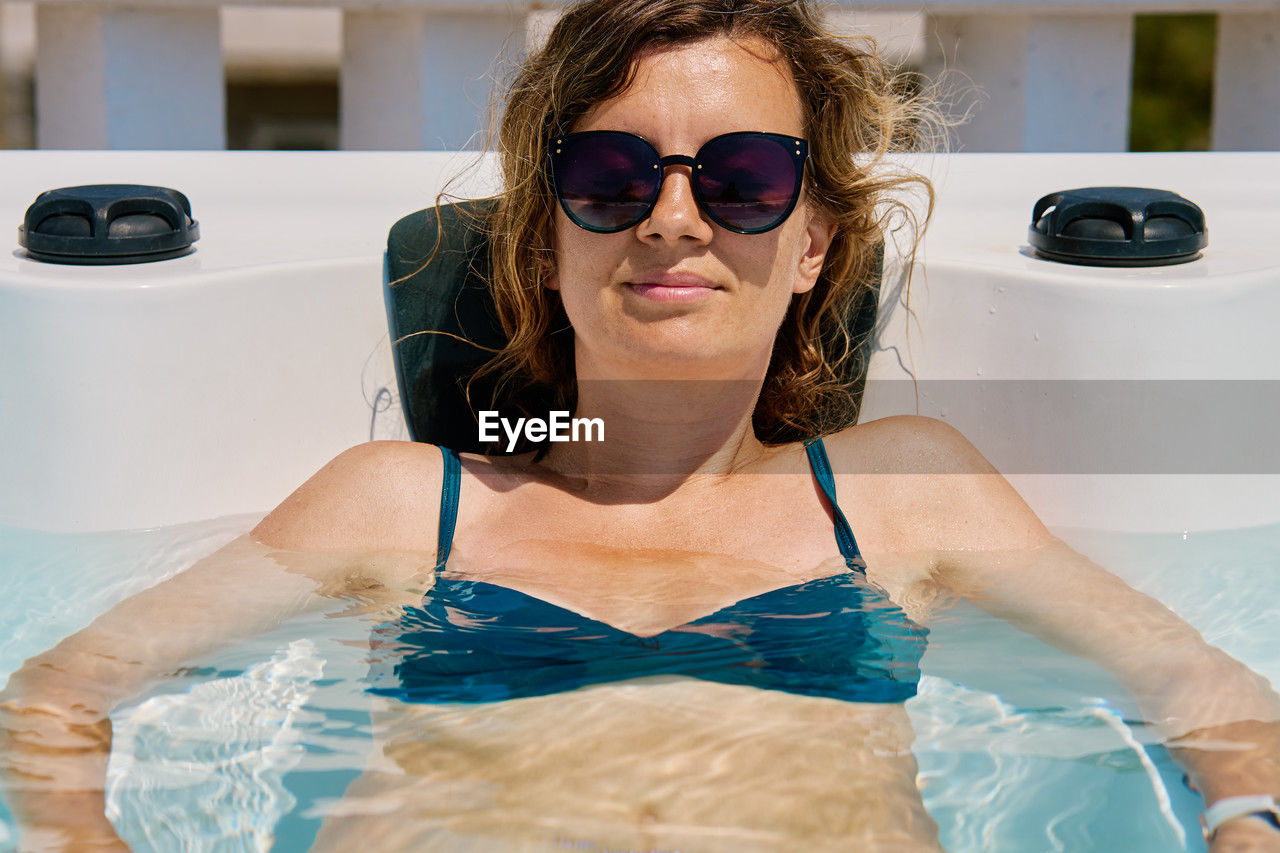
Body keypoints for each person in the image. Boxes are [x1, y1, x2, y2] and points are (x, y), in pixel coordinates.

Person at [3, 0, 1279, 850]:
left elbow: (1213, 695)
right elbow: (52, 699)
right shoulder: (408, 502)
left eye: (741, 181)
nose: (674, 220)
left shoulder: (903, 494)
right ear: (545, 239)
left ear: (812, 241)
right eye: (612, 179)